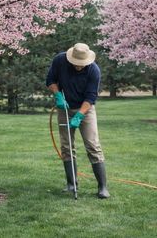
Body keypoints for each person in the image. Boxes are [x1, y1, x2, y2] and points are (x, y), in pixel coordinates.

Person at [46, 43, 110, 199]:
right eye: (76, 63)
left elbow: (91, 97)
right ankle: (71, 184)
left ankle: (103, 187)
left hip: (86, 109)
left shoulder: (93, 70)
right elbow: (50, 80)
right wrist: (58, 95)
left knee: (93, 145)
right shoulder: (59, 61)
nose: (79, 66)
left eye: (82, 64)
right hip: (64, 108)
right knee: (66, 146)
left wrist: (80, 115)